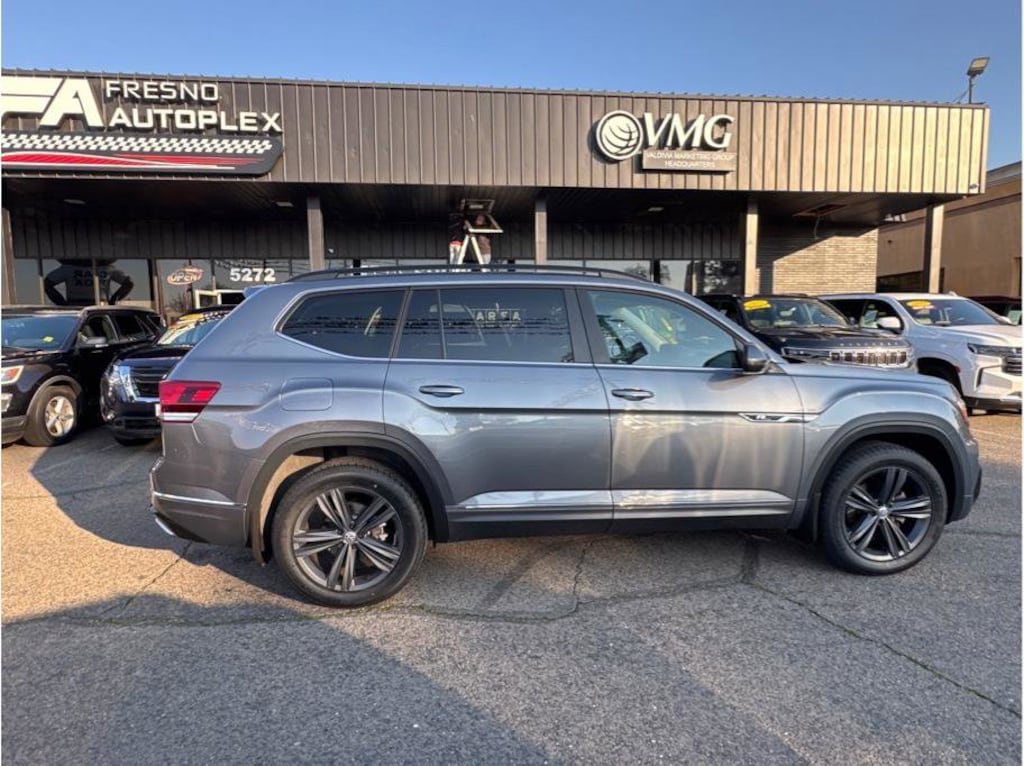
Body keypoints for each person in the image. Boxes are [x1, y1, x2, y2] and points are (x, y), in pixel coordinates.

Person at [44, 259, 134, 306]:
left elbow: (47, 283)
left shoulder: (68, 268)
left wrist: (62, 304)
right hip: (99, 305)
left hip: (77, 304)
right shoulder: (107, 268)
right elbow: (128, 283)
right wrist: (113, 301)